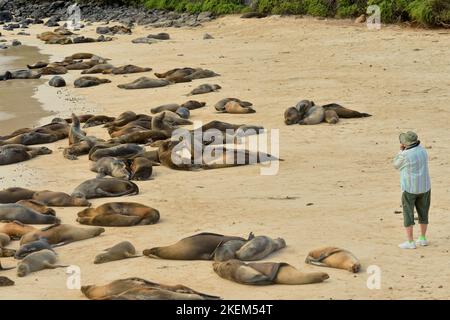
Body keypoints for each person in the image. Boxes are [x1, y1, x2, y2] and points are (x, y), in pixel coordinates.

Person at [393, 131, 431, 249]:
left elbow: (396, 165)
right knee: (423, 212)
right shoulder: (423, 151)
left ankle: (410, 242)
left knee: (408, 213)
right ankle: (423, 238)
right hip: (424, 187)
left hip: (409, 188)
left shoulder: (405, 155)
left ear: (405, 144)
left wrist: (401, 151)